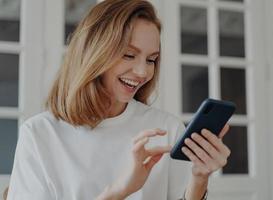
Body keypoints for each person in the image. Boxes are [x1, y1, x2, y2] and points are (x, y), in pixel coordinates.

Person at [7, 0, 231, 199]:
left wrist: (200, 178)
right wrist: (118, 191)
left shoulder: (167, 129)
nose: (143, 72)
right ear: (94, 53)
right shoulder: (40, 134)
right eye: (129, 55)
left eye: (151, 59)